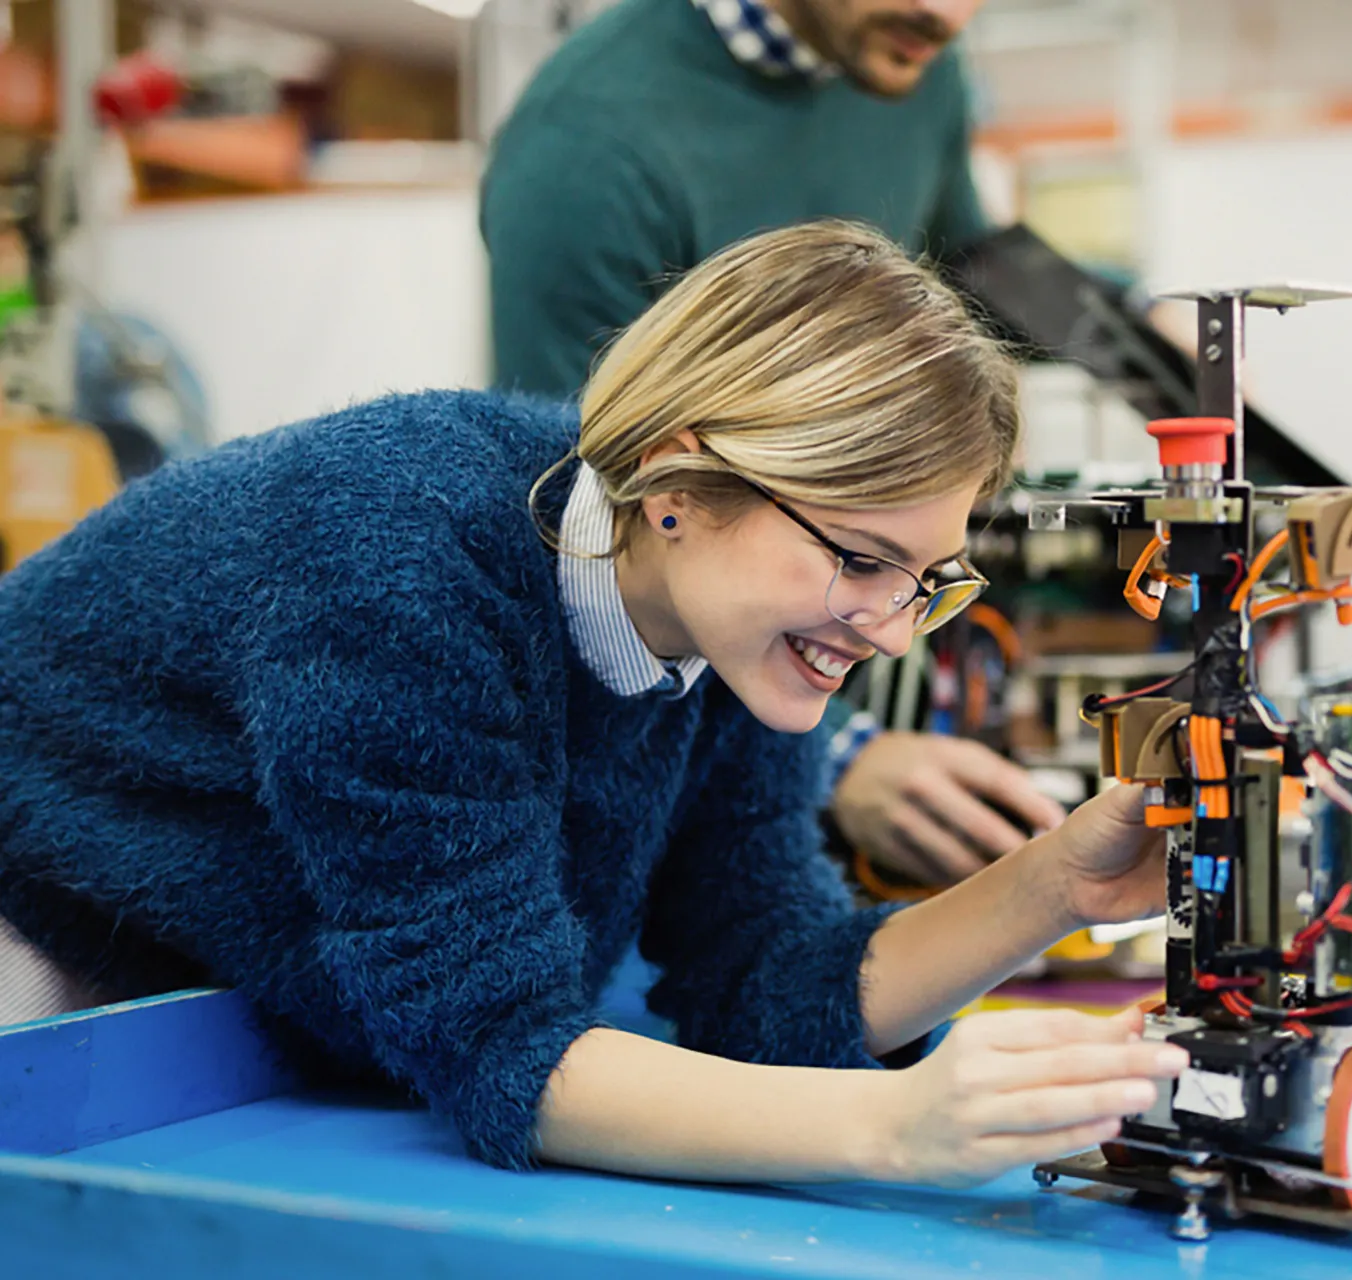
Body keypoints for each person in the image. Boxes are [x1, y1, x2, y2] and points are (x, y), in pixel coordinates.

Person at [0, 222, 1186, 1181]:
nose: (887, 624)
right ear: (678, 482)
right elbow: (501, 1048)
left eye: (927, 578)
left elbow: (763, 978)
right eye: (861, 559)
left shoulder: (733, 632)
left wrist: (1056, 884)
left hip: (243, 984)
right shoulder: (403, 557)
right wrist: (892, 1128)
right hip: (45, 927)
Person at [481, 0, 1062, 884]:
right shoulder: (586, 147)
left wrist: (1151, 335)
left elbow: (972, 283)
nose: (949, 15)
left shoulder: (908, 53)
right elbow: (598, 512)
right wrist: (840, 754)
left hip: (784, 663)